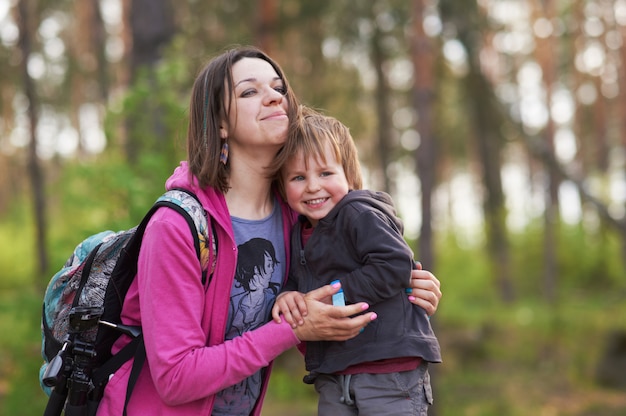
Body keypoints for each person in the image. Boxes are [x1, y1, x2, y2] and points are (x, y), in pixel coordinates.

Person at [96, 45, 441, 416]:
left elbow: (330, 315)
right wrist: (294, 328)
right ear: (221, 124)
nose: (275, 97)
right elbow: (176, 377)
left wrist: (404, 289)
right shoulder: (178, 226)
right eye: (249, 91)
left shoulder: (298, 217)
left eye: (278, 88)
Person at [270, 106, 441, 415]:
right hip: (335, 373)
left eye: (325, 173)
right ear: (282, 187)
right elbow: (302, 282)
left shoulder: (357, 212)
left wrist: (334, 297)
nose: (312, 186)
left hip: (388, 368)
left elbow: (394, 264)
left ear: (348, 175)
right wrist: (288, 296)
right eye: (298, 177)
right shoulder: (299, 232)